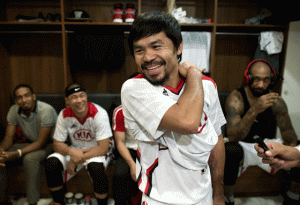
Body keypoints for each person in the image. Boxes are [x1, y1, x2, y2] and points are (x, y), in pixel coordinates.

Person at [121, 11, 226, 205]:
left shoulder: (208, 86)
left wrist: (218, 193)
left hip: (203, 195)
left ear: (179, 48)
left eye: (156, 46)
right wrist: (194, 73)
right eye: (139, 50)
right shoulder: (134, 88)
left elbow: (217, 141)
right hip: (158, 200)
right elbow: (187, 122)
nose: (148, 57)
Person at [223, 59, 299, 205]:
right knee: (229, 149)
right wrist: (255, 109)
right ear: (248, 78)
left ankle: (293, 196)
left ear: (271, 80)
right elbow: (233, 136)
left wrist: (291, 152)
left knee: (299, 147)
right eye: (256, 79)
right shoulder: (236, 97)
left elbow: (289, 134)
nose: (261, 85)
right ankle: (228, 198)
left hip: (267, 145)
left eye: (266, 80)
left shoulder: (276, 101)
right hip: (243, 146)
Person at [44, 83, 114, 205]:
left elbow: (103, 148)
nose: (79, 100)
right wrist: (73, 153)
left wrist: (74, 160)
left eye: (82, 96)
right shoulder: (64, 114)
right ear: (67, 101)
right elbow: (57, 144)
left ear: (86, 96)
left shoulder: (98, 113)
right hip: (76, 149)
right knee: (51, 163)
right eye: (74, 97)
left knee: (96, 168)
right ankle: (58, 202)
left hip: (97, 149)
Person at [0, 84, 57, 205]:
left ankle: (32, 202)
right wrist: (0, 150)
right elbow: (9, 138)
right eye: (19, 97)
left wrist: (17, 153)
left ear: (34, 96)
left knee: (30, 158)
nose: (24, 100)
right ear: (16, 101)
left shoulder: (46, 110)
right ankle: (3, 200)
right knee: (0, 157)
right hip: (31, 144)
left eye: (27, 95)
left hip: (50, 144)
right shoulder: (14, 110)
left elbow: (41, 142)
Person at [112, 103, 142, 205]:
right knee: (120, 174)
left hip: (151, 149)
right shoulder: (120, 111)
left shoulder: (155, 107)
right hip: (130, 150)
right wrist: (133, 165)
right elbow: (120, 142)